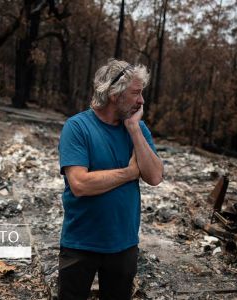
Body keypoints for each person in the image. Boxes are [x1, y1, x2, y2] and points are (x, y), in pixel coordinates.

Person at [58, 58, 163, 300]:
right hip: (80, 243)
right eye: (136, 93)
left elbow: (155, 176)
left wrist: (135, 129)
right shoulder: (77, 127)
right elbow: (80, 184)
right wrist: (128, 173)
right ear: (115, 95)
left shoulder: (137, 128)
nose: (141, 100)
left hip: (124, 244)